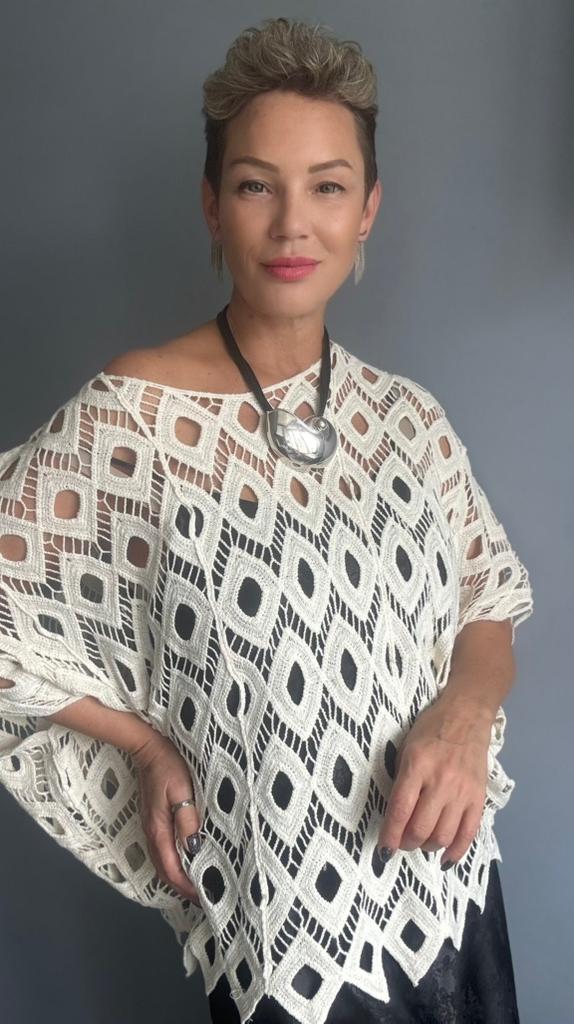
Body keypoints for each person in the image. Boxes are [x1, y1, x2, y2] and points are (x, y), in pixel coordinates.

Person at [0, 15, 533, 1024]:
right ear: (212, 205)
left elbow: (490, 601)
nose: (293, 224)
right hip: (289, 929)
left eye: (327, 186)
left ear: (368, 208)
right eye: (256, 185)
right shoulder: (136, 418)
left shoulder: (407, 419)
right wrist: (143, 744)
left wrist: (465, 716)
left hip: (452, 896)